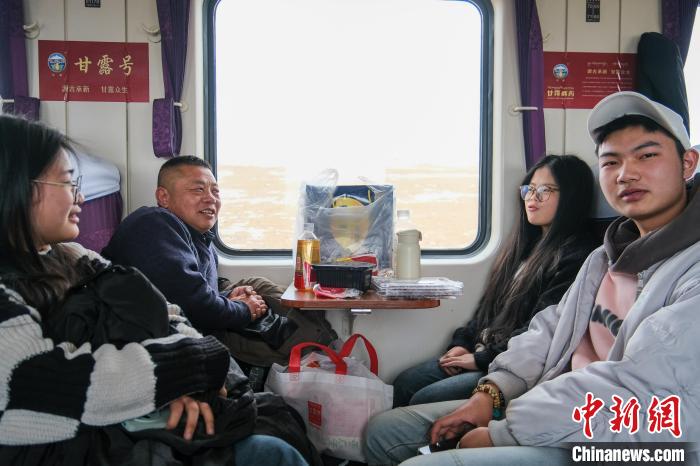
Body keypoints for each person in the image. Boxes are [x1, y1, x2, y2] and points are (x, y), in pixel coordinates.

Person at [364, 91, 700, 466]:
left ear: (688, 163)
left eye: (646, 155)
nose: (626, 174)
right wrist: (491, 392)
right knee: (383, 432)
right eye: (611, 161)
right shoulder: (604, 258)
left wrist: (501, 433)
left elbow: (636, 389)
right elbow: (548, 331)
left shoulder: (691, 271)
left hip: (622, 439)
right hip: (555, 408)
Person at [0, 114, 308, 466]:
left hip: (118, 406)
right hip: (60, 442)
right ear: (17, 188)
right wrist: (185, 373)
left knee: (277, 424)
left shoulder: (71, 255)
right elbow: (59, 381)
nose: (80, 195)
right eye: (68, 182)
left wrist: (183, 378)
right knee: (272, 451)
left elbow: (165, 311)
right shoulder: (153, 225)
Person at [392, 155, 596, 407]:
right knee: (405, 382)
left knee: (425, 397)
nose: (532, 198)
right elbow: (487, 310)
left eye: (545, 190)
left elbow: (540, 331)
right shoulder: (525, 247)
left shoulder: (577, 256)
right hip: (486, 351)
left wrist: (480, 359)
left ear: (572, 197)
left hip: (514, 365)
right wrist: (463, 344)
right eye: (530, 189)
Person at [102, 156, 336, 373]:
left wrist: (228, 297)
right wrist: (244, 309)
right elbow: (194, 306)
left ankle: (319, 349)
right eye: (198, 189)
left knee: (256, 287)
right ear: (164, 197)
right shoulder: (153, 225)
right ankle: (319, 353)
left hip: (194, 320)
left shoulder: (198, 238)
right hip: (157, 339)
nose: (210, 198)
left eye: (215, 191)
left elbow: (188, 291)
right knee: (259, 310)